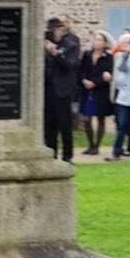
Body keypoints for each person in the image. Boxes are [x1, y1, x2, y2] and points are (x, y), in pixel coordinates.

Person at [43, 17, 81, 163]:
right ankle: (51, 152)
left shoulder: (70, 44)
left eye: (57, 30)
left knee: (64, 123)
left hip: (63, 89)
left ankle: (67, 155)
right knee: (49, 123)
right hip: (48, 87)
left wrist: (55, 53)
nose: (55, 33)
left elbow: (69, 65)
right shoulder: (44, 45)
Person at [77, 31, 113, 155]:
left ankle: (97, 145)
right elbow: (80, 70)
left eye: (100, 40)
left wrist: (95, 83)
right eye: (95, 40)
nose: (97, 42)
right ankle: (90, 144)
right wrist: (84, 80)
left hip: (101, 91)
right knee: (86, 118)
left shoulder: (107, 57)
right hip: (87, 90)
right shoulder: (87, 55)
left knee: (100, 118)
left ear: (104, 43)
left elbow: (107, 75)